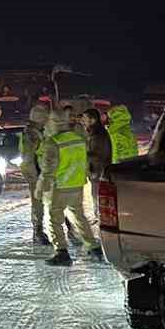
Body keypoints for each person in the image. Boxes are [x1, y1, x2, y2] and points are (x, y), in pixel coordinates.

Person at [40, 104, 102, 266]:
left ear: (53, 123)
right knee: (79, 217)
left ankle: (61, 252)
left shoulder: (53, 142)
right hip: (77, 185)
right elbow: (84, 161)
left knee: (54, 220)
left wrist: (41, 187)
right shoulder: (78, 139)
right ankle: (94, 247)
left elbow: (48, 169)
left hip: (59, 187)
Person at [20, 104, 51, 246]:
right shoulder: (31, 134)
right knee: (37, 203)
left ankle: (38, 232)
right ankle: (38, 232)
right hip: (35, 172)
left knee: (40, 203)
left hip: (38, 171)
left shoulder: (36, 132)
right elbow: (28, 157)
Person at [81, 108, 113, 182]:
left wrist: (80, 154)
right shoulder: (95, 132)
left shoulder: (97, 135)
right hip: (98, 173)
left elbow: (97, 155)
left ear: (92, 120)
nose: (82, 121)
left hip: (99, 174)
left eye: (85, 118)